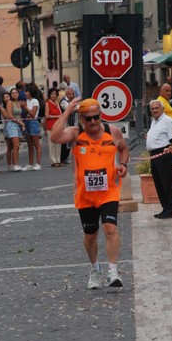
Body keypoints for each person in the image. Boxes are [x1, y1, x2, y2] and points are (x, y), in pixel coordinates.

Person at [50, 97, 129, 289]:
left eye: (96, 117)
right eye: (88, 119)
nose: (93, 122)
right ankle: (95, 269)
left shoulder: (113, 132)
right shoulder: (76, 134)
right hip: (85, 195)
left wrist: (123, 165)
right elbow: (54, 137)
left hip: (108, 192)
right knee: (90, 236)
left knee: (110, 228)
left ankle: (113, 271)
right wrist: (67, 111)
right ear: (81, 120)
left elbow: (124, 149)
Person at [146, 100, 172, 218]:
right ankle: (165, 208)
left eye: (156, 108)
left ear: (162, 109)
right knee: (158, 183)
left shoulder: (167, 121)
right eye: (152, 109)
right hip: (154, 155)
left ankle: (171, 209)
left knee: (166, 182)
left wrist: (171, 152)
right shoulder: (154, 121)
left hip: (164, 154)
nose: (154, 110)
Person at [21, 84, 42, 171]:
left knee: (36, 143)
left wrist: (25, 107)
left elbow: (33, 113)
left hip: (33, 122)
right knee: (29, 144)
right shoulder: (28, 101)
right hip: (27, 122)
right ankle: (30, 163)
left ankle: (38, 163)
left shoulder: (35, 101)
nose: (25, 93)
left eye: (27, 91)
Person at [4, 87, 25, 172]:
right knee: (16, 145)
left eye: (16, 92)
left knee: (14, 146)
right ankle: (15, 165)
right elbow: (10, 116)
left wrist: (21, 124)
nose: (15, 94)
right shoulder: (10, 102)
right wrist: (21, 123)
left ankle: (13, 164)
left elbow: (19, 115)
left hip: (18, 125)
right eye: (12, 93)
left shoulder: (18, 102)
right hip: (12, 125)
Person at [44, 87, 62, 167]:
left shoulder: (57, 103)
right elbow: (47, 115)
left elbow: (61, 114)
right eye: (52, 94)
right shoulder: (48, 103)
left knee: (58, 143)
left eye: (55, 94)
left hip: (58, 126)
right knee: (52, 144)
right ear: (49, 95)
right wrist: (56, 116)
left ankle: (58, 159)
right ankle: (53, 161)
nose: (53, 95)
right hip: (51, 125)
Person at [59, 86, 77, 164]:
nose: (72, 96)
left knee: (70, 141)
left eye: (72, 94)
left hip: (71, 122)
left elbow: (78, 107)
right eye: (70, 94)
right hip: (65, 123)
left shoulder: (72, 101)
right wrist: (75, 108)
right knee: (64, 141)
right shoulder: (63, 101)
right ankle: (62, 158)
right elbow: (69, 109)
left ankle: (66, 157)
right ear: (66, 94)